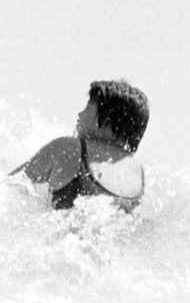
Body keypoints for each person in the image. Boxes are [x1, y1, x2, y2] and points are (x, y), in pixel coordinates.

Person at [12, 79, 150, 212]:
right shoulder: (137, 173)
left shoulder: (70, 149)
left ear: (107, 119)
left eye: (88, 107)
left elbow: (8, 187)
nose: (80, 114)